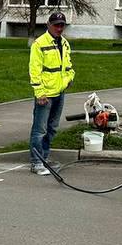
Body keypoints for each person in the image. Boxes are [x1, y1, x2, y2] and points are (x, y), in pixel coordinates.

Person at [28, 11, 74, 175]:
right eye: (56, 25)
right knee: (40, 130)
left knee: (52, 128)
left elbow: (68, 66)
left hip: (59, 92)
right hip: (45, 95)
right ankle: (36, 162)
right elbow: (34, 71)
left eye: (62, 25)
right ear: (48, 25)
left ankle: (44, 158)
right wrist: (40, 93)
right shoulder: (39, 44)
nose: (59, 28)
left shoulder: (65, 43)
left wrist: (69, 78)